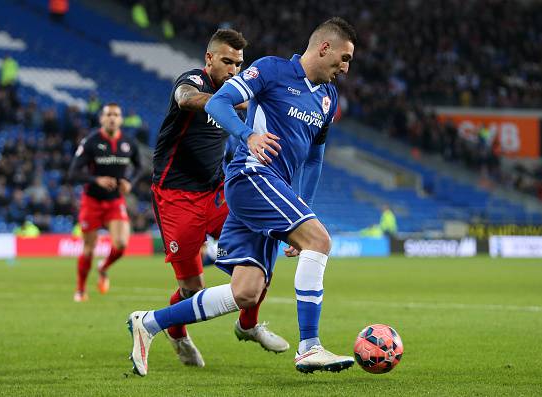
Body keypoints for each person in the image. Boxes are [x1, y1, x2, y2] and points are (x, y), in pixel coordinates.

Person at [127, 17, 357, 376]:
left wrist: (303, 210)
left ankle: (149, 323)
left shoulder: (328, 98)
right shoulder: (271, 70)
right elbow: (218, 104)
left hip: (273, 188)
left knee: (246, 292)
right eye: (343, 58)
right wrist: (248, 135)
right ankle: (310, 346)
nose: (345, 68)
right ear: (324, 47)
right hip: (251, 177)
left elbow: (314, 158)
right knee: (320, 241)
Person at [149, 29, 288, 368]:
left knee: (261, 245)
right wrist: (222, 102)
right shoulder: (193, 79)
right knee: (192, 289)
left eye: (239, 64)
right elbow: (184, 98)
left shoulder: (237, 91)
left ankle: (249, 324)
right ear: (209, 58)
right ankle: (177, 331)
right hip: (175, 197)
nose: (233, 70)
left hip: (216, 191)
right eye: (227, 61)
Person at [68, 103, 142, 302]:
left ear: (120, 119)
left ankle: (103, 267)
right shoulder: (91, 142)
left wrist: (130, 182)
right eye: (108, 114)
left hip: (114, 200)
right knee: (89, 248)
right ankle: (81, 290)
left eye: (116, 115)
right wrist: (96, 180)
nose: (112, 118)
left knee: (121, 244)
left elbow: (139, 167)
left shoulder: (129, 143)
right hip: (91, 200)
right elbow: (73, 172)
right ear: (101, 118)